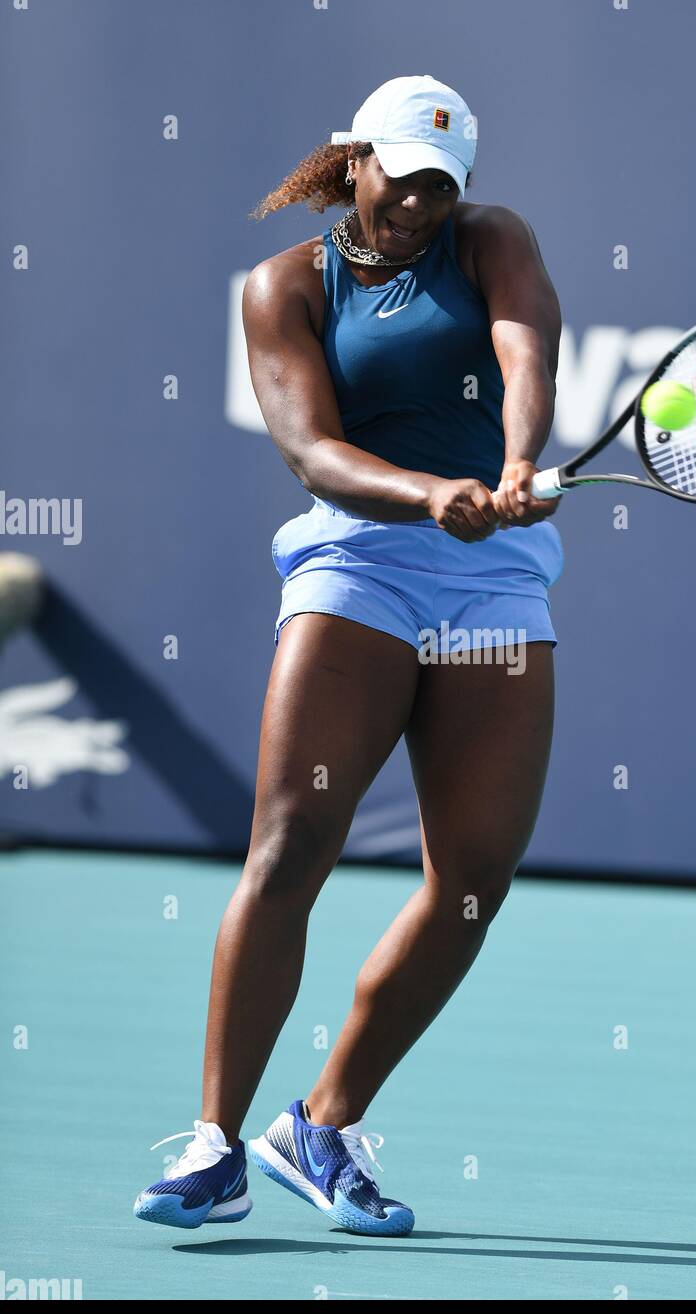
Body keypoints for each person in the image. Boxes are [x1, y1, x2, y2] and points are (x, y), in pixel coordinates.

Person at [134, 75, 564, 1236]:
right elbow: (315, 453)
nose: (415, 205)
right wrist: (434, 493)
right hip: (355, 567)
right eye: (398, 179)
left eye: (438, 186)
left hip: (492, 585)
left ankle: (319, 1125)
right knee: (292, 839)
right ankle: (215, 1144)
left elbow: (526, 358)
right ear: (352, 164)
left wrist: (519, 461)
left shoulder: (491, 242)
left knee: (473, 879)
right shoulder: (285, 286)